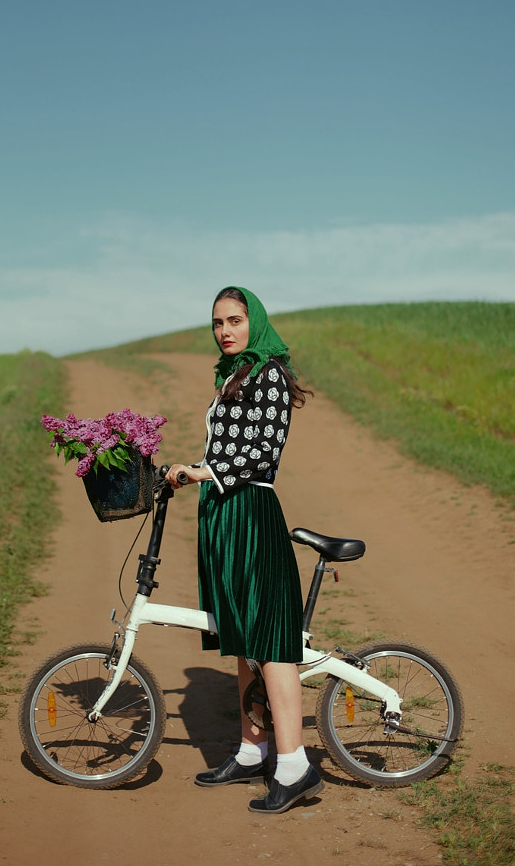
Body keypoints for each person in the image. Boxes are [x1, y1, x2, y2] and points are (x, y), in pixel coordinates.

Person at [166, 286, 324, 815]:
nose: (225, 330)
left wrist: (206, 472)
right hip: (222, 514)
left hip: (252, 513)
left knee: (271, 639)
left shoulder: (271, 375)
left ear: (253, 321)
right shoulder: (231, 377)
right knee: (238, 635)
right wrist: (189, 471)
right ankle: (253, 749)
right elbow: (226, 448)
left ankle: (295, 764)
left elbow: (262, 452)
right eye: (218, 323)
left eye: (235, 320)